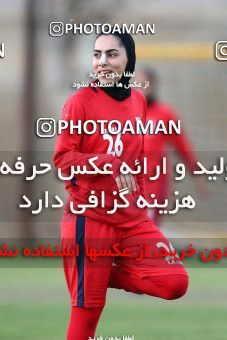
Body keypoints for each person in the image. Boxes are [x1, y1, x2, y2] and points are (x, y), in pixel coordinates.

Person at [53, 30, 189, 340]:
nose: (102, 62)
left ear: (128, 60)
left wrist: (139, 200)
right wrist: (107, 162)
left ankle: (104, 276)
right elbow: (62, 160)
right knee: (84, 327)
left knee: (174, 282)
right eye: (97, 54)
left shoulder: (138, 101)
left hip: (131, 219)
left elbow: (136, 159)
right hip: (90, 221)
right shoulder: (79, 102)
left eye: (112, 54)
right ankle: (92, 277)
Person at [136, 67, 201, 223]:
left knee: (146, 229)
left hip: (153, 186)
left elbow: (182, 146)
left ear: (152, 86)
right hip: (131, 188)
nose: (140, 88)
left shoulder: (165, 114)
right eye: (137, 84)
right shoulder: (128, 115)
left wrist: (197, 174)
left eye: (144, 84)